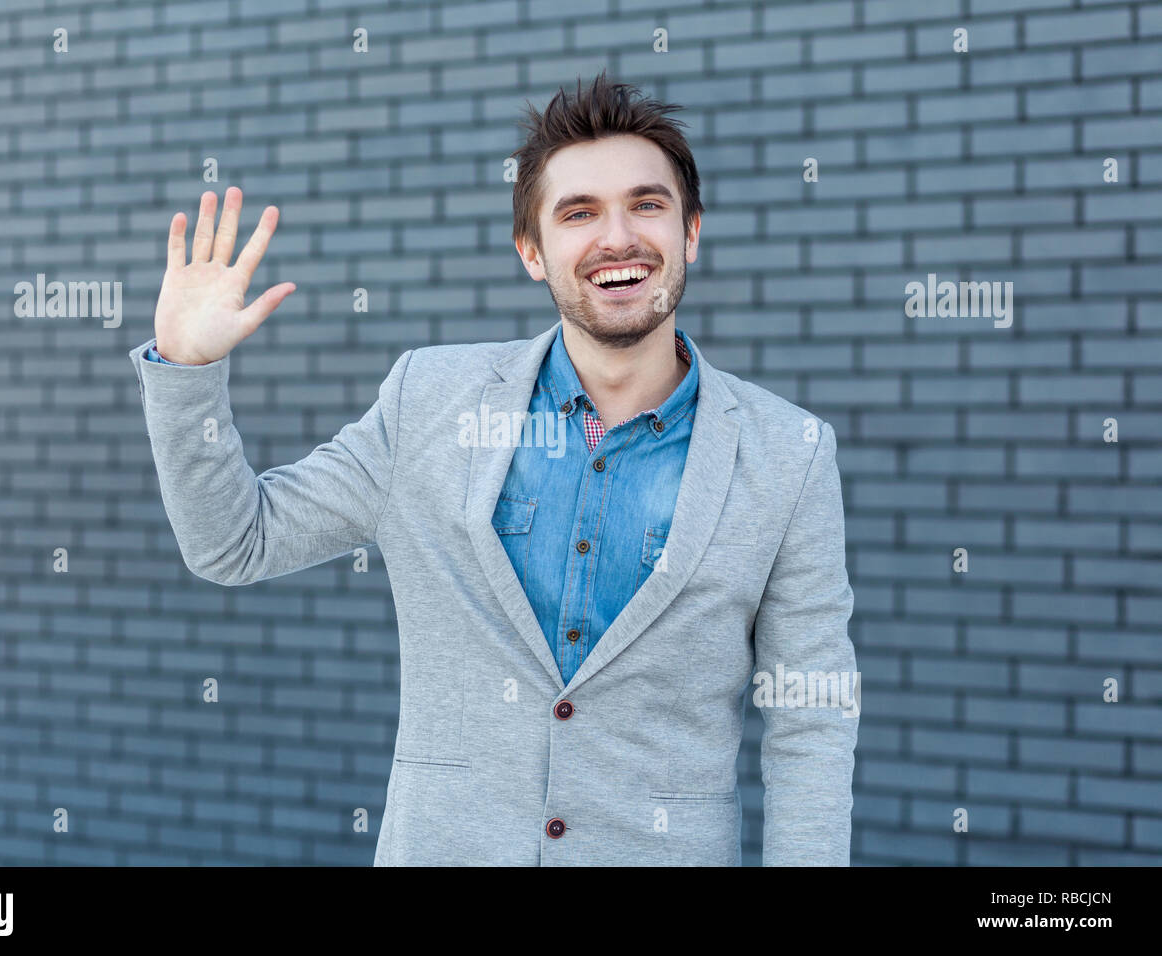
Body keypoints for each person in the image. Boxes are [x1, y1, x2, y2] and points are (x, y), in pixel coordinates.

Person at [129, 71, 859, 866]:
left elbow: (810, 719)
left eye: (647, 204)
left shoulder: (791, 454)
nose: (617, 237)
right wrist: (186, 372)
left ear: (689, 233)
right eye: (578, 213)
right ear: (532, 252)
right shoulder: (428, 401)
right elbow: (235, 543)